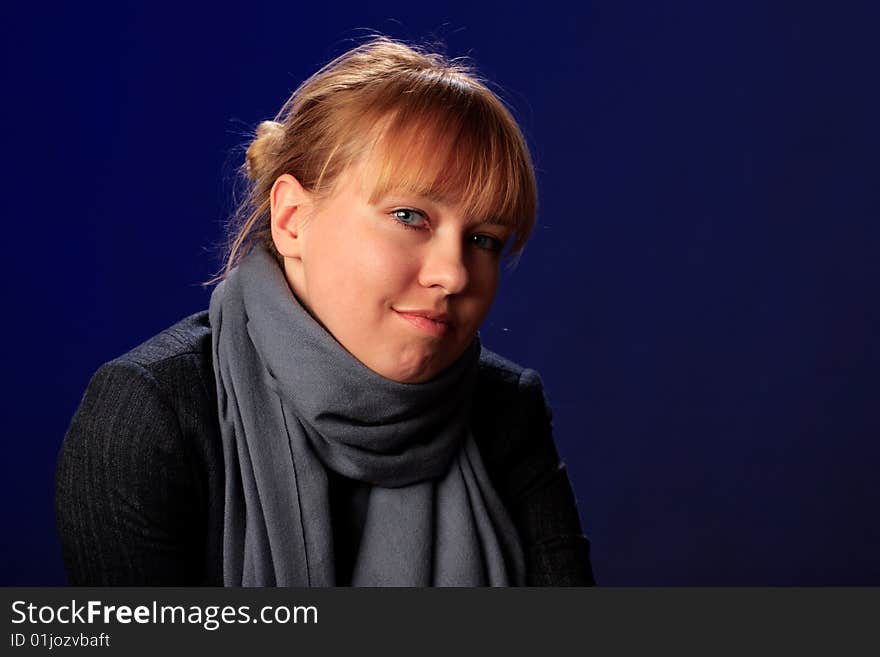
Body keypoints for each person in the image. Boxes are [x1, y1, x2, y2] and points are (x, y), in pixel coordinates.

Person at [55, 36, 596, 586]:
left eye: (483, 240)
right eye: (410, 216)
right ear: (292, 219)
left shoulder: (507, 410)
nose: (454, 275)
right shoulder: (150, 415)